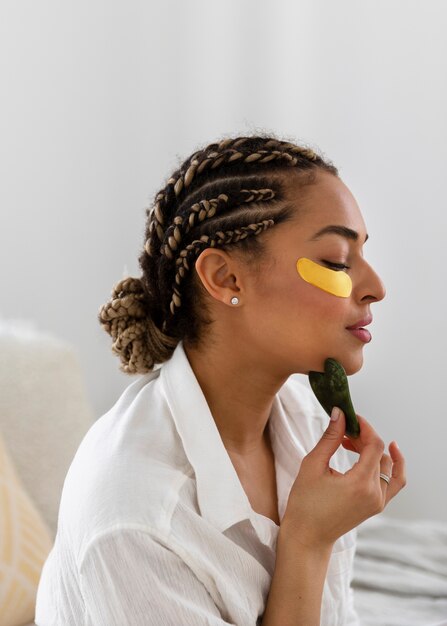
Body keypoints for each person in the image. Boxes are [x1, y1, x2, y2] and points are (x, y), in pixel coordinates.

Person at [35, 135, 406, 625]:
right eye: (337, 261)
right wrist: (308, 542)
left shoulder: (307, 419)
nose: (376, 287)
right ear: (227, 279)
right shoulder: (135, 518)